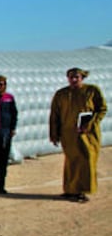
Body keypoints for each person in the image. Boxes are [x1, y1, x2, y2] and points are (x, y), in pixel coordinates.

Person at [49, 67, 107, 202]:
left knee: (86, 159)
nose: (74, 80)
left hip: (88, 133)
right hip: (68, 133)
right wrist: (54, 133)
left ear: (82, 78)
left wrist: (91, 123)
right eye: (71, 77)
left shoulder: (92, 91)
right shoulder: (61, 94)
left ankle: (82, 190)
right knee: (71, 161)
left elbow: (102, 109)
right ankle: (70, 190)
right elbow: (54, 115)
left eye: (77, 77)